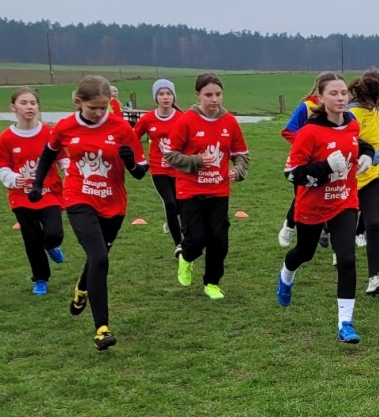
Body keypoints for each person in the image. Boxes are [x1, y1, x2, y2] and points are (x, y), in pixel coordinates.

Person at [27, 75, 147, 350]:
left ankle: (82, 287)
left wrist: (131, 163)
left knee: (97, 257)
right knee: (100, 258)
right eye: (93, 107)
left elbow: (141, 171)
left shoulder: (121, 127)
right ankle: (102, 328)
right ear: (79, 102)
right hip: (78, 197)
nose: (99, 113)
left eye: (104, 107)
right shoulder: (65, 127)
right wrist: (37, 184)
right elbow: (48, 154)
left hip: (114, 204)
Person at [277, 73, 376, 343]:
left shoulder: (352, 123)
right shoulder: (309, 132)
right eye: (334, 93)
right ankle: (287, 273)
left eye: (344, 92)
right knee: (304, 252)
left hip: (344, 201)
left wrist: (368, 156)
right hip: (312, 205)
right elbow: (291, 173)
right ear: (320, 98)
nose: (341, 98)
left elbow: (360, 144)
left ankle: (345, 324)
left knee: (346, 259)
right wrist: (326, 167)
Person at [166, 73, 249, 300]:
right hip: (190, 190)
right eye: (209, 95)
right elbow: (170, 155)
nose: (214, 99)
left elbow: (241, 154)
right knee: (196, 238)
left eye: (218, 94)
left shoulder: (229, 121)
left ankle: (212, 283)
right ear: (198, 95)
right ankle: (186, 257)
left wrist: (238, 171)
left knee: (219, 240)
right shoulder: (187, 120)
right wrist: (197, 161)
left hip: (219, 190)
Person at [0, 87, 66, 296]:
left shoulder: (49, 133)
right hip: (21, 196)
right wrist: (13, 178)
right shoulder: (6, 137)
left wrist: (69, 172)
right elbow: (2, 166)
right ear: (13, 107)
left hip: (49, 193)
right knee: (31, 239)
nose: (29, 107)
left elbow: (62, 158)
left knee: (54, 233)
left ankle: (51, 245)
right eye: (24, 103)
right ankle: (41, 278)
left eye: (33, 103)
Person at [278, 72, 339, 248]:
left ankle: (326, 232)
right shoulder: (306, 107)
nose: (336, 95)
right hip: (304, 164)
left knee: (330, 196)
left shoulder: (339, 110)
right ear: (320, 90)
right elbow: (288, 130)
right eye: (332, 91)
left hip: (329, 163)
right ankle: (289, 225)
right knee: (302, 197)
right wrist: (307, 145)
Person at [345, 71, 379, 295]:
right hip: (348, 179)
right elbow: (344, 143)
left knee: (373, 224)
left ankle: (374, 278)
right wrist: (367, 154)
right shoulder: (351, 114)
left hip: (371, 178)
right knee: (344, 228)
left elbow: (375, 142)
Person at [136, 78, 185, 256]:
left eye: (169, 93)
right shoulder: (148, 118)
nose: (165, 97)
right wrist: (139, 159)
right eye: (161, 94)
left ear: (173, 97)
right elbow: (132, 137)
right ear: (155, 98)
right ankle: (179, 244)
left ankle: (171, 222)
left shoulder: (182, 118)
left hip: (179, 168)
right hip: (158, 168)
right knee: (170, 203)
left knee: (179, 204)